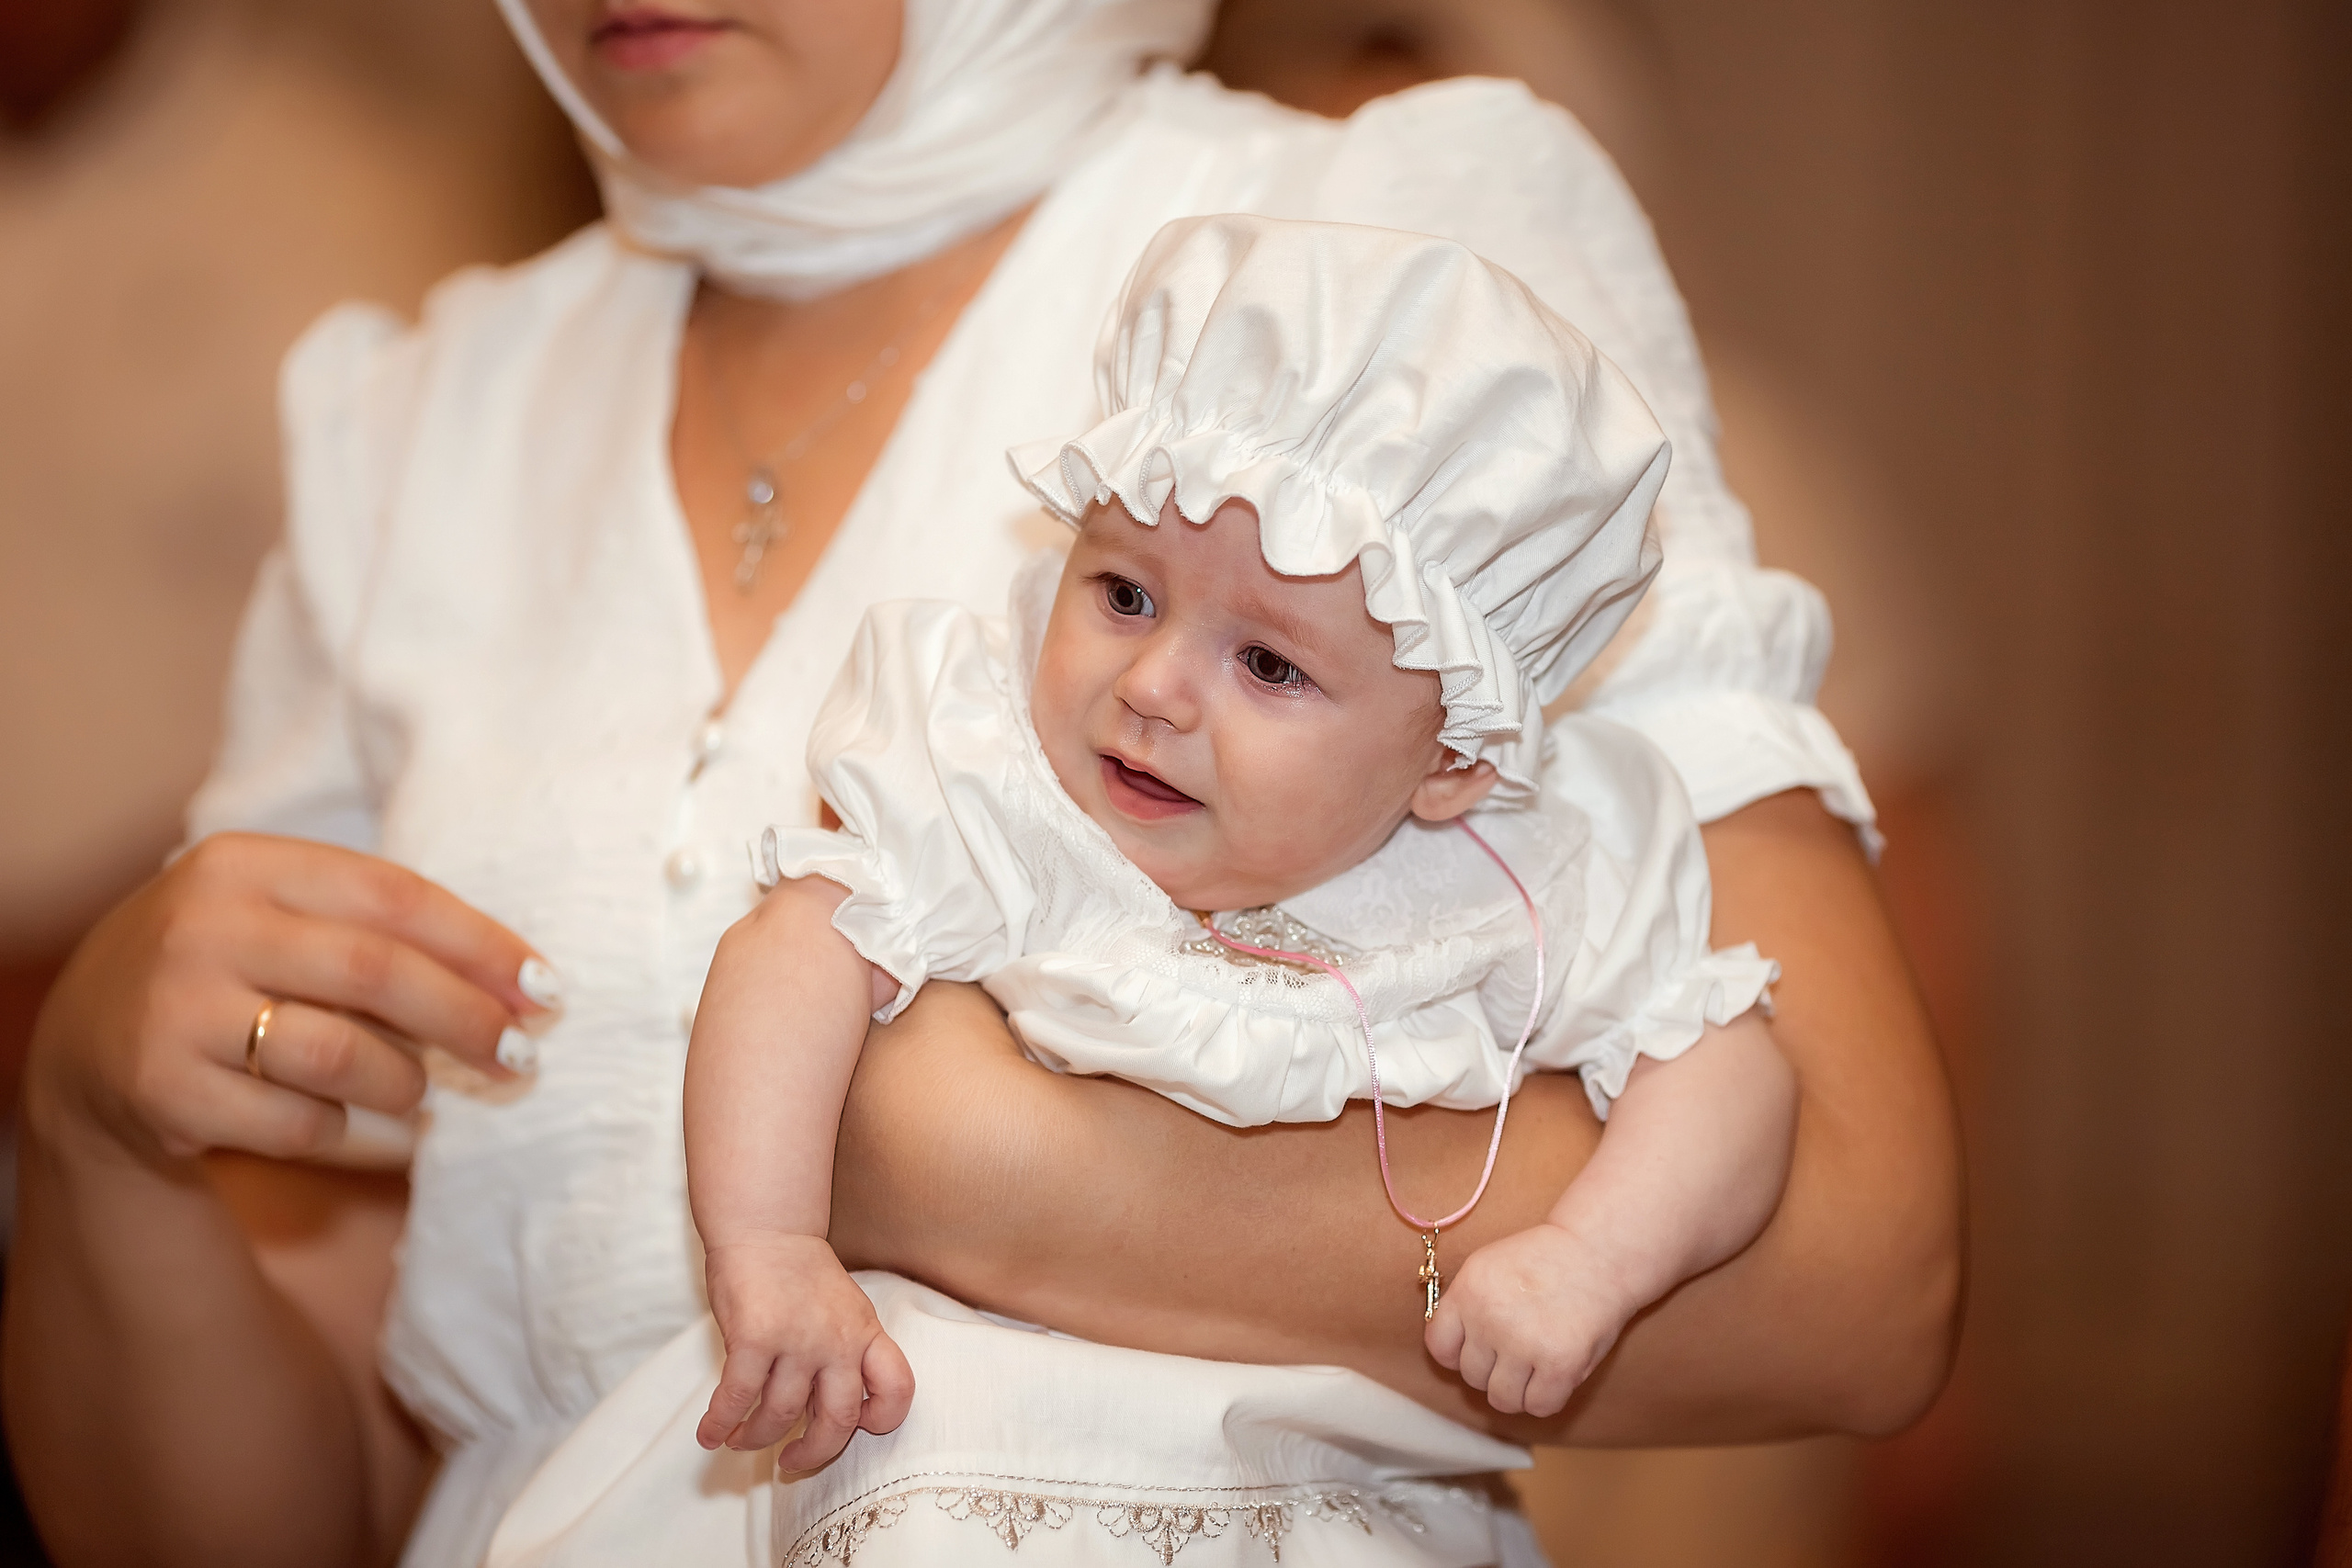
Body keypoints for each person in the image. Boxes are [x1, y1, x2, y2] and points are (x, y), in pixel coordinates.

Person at [3, 3, 1962, 1566]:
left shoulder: (1393, 266)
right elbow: (336, 1483)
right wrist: (100, 1145)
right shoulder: (419, 422)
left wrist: (975, 1160)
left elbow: (1859, 1273)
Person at [668, 214, 1799, 1562]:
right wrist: (772, 1244)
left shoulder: (1502, 883)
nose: (1151, 688)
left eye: (1269, 667)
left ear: (1448, 762)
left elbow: (1725, 1064)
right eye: (1125, 596)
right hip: (954, 1474)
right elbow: (791, 948)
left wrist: (1597, 1259)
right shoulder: (1000, 785)